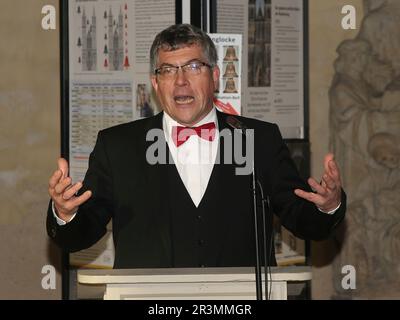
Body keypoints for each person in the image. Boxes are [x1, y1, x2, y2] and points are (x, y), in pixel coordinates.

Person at [47, 24, 346, 269]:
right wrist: (65, 213)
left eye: (193, 67)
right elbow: (81, 234)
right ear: (155, 82)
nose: (180, 82)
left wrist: (328, 206)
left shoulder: (259, 139)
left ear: (215, 76)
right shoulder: (117, 146)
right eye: (168, 70)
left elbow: (304, 220)